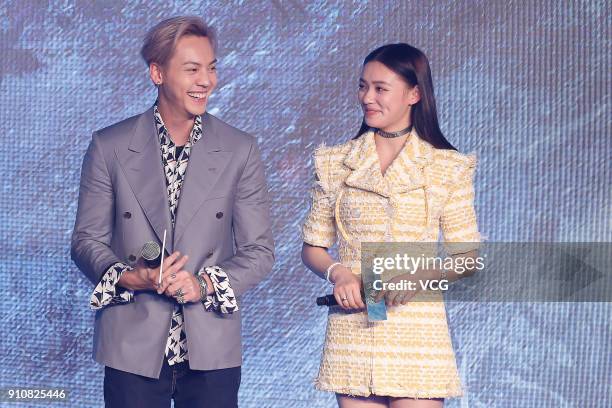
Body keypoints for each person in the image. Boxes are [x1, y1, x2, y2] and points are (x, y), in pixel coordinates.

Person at [71, 16, 274, 408]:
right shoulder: (110, 146)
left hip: (211, 347)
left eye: (211, 68)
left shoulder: (239, 149)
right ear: (157, 72)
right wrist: (134, 277)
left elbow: (260, 251)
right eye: (192, 69)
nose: (207, 80)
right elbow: (85, 241)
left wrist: (205, 285)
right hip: (132, 344)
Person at [301, 43, 481, 408]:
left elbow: (467, 257)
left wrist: (417, 278)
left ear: (414, 93)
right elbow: (312, 248)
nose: (368, 97)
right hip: (353, 327)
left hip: (417, 331)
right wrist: (339, 274)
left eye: (380, 88)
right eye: (362, 86)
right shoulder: (335, 163)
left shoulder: (448, 167)